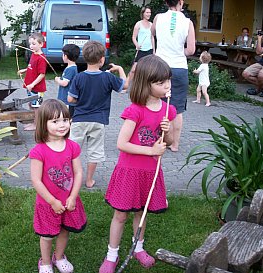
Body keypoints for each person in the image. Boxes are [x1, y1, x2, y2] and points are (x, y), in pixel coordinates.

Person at [99, 55, 176, 273]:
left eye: (167, 80)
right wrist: (150, 150)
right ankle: (111, 255)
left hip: (150, 173)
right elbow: (121, 143)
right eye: (160, 83)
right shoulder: (135, 110)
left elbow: (168, 143)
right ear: (145, 83)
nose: (166, 86)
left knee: (141, 213)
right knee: (121, 215)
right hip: (129, 171)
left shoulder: (168, 110)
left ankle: (137, 248)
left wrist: (168, 133)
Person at [29, 99, 87, 273]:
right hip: (48, 204)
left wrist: (73, 196)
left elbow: (78, 173)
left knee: (64, 231)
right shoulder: (39, 151)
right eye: (55, 121)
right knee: (47, 236)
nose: (62, 125)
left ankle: (59, 257)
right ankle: (45, 262)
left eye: (65, 120)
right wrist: (52, 201)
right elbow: (36, 180)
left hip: (68, 201)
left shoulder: (72, 147)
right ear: (43, 124)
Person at [68, 41, 128, 189]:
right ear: (102, 60)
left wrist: (79, 101)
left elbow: (70, 99)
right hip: (98, 121)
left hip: (79, 119)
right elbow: (124, 86)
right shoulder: (108, 77)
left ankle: (70, 179)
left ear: (84, 58)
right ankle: (89, 180)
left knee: (72, 150)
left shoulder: (79, 77)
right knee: (94, 151)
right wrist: (120, 69)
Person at [151, 0, 195, 152]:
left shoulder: (158, 18)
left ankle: (155, 139)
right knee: (176, 108)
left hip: (160, 66)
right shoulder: (188, 22)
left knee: (156, 103)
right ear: (181, 2)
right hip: (179, 68)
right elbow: (190, 50)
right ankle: (174, 144)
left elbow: (153, 33)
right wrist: (177, 51)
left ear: (166, 2)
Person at [242, 26, 263, 98]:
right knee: (245, 74)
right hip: (262, 62)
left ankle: (257, 89)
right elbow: (258, 52)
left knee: (261, 75)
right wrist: (259, 39)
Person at [127, 6, 155, 82]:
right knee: (133, 69)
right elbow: (133, 37)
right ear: (143, 13)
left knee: (148, 70)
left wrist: (154, 50)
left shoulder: (151, 24)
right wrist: (137, 45)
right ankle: (126, 85)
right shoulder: (138, 24)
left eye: (150, 12)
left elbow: (152, 38)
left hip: (149, 50)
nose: (149, 14)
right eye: (147, 12)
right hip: (141, 50)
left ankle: (146, 87)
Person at [55, 44, 80, 117]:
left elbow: (64, 83)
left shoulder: (70, 69)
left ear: (66, 56)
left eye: (63, 54)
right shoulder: (72, 67)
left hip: (67, 100)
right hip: (66, 99)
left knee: (66, 116)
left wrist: (57, 80)